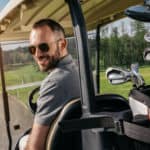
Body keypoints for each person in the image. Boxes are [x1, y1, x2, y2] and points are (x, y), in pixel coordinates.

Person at [19, 18, 80, 150]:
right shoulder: (81, 71)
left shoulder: (53, 83)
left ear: (62, 45)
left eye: (43, 47)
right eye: (32, 49)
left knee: (22, 141)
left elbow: (35, 148)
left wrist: (23, 144)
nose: (37, 54)